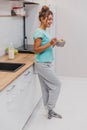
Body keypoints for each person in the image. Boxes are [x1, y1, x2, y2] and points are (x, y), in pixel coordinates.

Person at [33, 5, 62, 119]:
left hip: (46, 63)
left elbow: (45, 47)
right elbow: (36, 50)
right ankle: (50, 108)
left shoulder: (44, 31)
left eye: (51, 19)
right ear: (42, 19)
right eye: (48, 19)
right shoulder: (39, 32)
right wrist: (50, 44)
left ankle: (49, 110)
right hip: (42, 64)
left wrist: (53, 44)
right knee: (57, 84)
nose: (50, 21)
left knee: (46, 88)